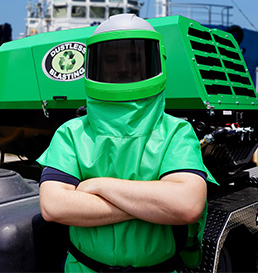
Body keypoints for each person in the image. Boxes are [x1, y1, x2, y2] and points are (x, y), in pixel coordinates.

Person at [37, 14, 215, 272]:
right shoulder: (71, 133)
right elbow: (54, 206)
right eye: (111, 59)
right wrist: (155, 206)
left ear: (156, 63)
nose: (122, 68)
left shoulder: (175, 131)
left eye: (134, 58)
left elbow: (187, 206)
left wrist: (99, 185)